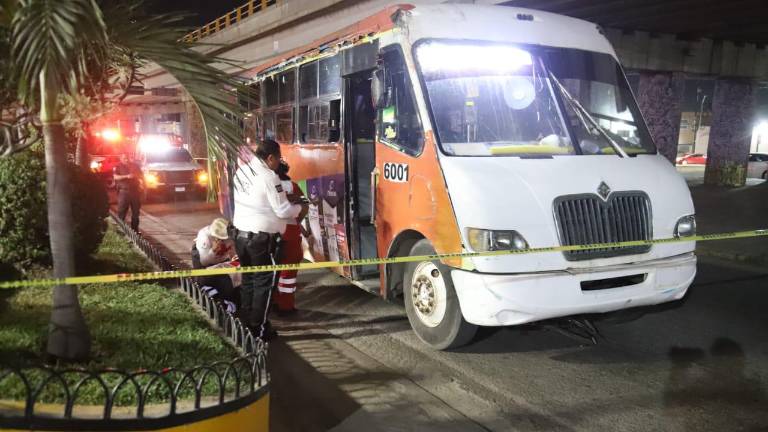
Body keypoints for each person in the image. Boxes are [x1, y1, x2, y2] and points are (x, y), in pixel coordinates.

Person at [232, 139, 308, 339]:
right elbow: (283, 210)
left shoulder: (242, 171)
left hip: (240, 236)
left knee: (248, 280)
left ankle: (246, 323)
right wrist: (300, 207)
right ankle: (259, 330)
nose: (278, 163)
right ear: (271, 157)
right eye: (278, 158)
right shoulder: (268, 176)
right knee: (264, 284)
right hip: (260, 240)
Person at [274, 161, 307, 314]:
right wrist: (297, 221)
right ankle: (286, 306)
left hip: (271, 232)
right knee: (289, 272)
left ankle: (274, 301)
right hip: (290, 232)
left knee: (274, 270)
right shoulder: (292, 186)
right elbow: (305, 207)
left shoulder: (269, 185)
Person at [191, 218, 239, 312]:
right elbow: (203, 261)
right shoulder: (205, 236)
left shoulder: (231, 234)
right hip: (203, 259)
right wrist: (213, 252)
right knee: (205, 275)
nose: (222, 240)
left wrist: (233, 256)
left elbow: (233, 250)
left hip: (222, 261)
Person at [113, 153, 142, 231]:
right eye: (124, 158)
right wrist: (126, 176)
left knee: (136, 213)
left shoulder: (135, 166)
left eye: (127, 158)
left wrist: (138, 178)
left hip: (135, 192)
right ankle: (120, 230)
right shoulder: (118, 167)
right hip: (124, 192)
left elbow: (141, 176)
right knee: (121, 212)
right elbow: (115, 177)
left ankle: (135, 231)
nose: (126, 159)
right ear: (121, 158)